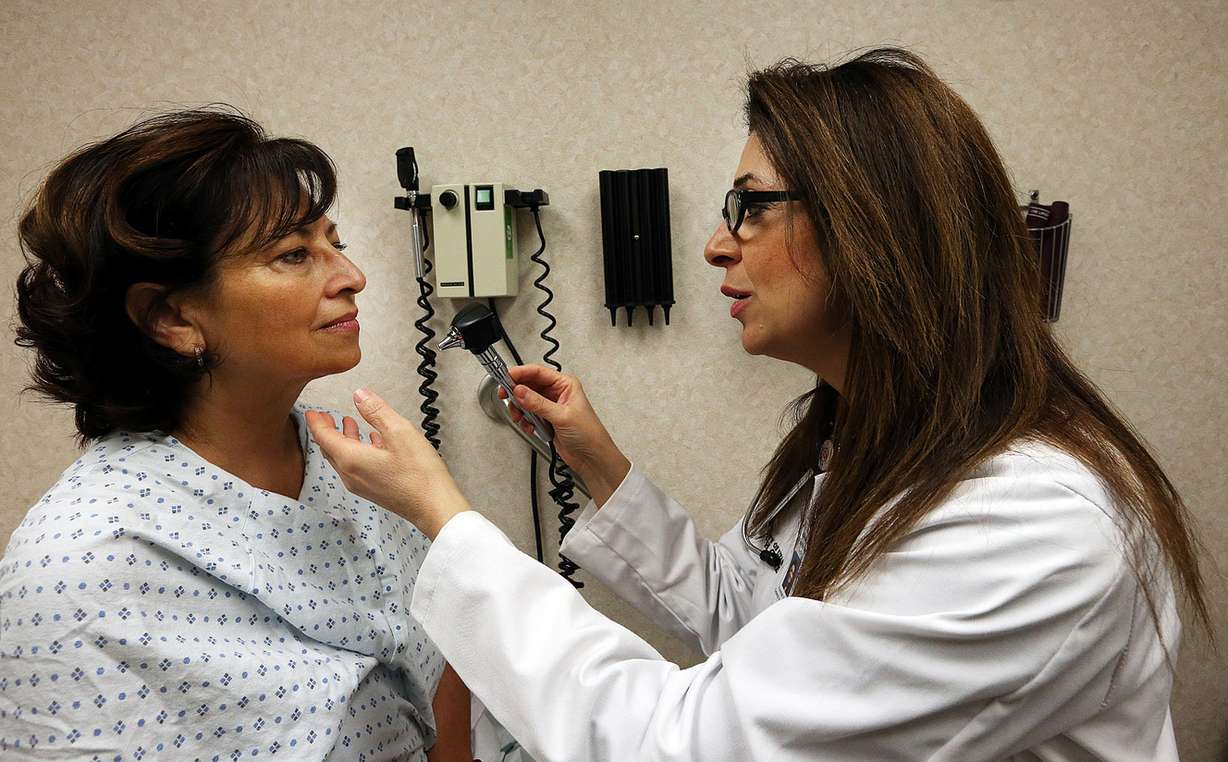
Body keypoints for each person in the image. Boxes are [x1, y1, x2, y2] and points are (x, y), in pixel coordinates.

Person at [305, 48, 1208, 761]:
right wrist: (599, 465)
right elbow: (752, 612)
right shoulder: (855, 437)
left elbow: (695, 745)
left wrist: (445, 516)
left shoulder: (1032, 524)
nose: (713, 245)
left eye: (750, 206)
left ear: (872, 224)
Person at [0, 108, 505, 761]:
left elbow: (444, 655)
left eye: (334, 242)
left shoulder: (357, 467)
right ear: (172, 317)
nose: (352, 276)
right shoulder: (76, 566)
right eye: (294, 254)